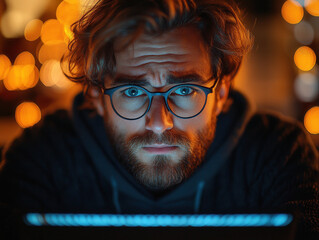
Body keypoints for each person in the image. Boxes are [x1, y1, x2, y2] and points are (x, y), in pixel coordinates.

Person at [0, 0, 318, 239]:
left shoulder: (279, 154)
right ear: (96, 96)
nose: (159, 122)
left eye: (183, 89)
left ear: (221, 93)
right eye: (133, 92)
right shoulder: (42, 156)